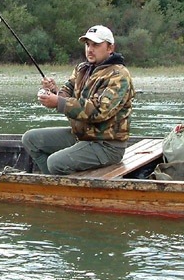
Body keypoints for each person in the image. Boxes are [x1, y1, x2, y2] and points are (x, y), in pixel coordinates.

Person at [22, 25, 135, 175]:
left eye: (96, 45)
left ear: (110, 48)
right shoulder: (82, 69)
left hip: (107, 146)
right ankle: (53, 186)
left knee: (55, 162)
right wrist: (53, 92)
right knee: (30, 139)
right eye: (87, 44)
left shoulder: (119, 75)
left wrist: (58, 102)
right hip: (81, 136)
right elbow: (67, 92)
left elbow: (99, 111)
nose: (90, 49)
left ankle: (64, 191)